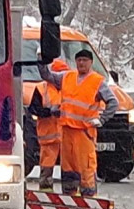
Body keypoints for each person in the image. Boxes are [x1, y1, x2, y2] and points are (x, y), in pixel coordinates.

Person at [38, 50, 118, 196]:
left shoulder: (97, 81)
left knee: (86, 169)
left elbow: (113, 102)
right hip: (67, 131)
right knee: (68, 169)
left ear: (91, 62)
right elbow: (47, 76)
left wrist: (101, 119)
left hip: (84, 132)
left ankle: (89, 201)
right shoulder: (67, 77)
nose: (81, 63)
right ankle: (69, 199)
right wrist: (41, 60)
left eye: (84, 60)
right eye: (79, 60)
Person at [27, 57, 68, 191]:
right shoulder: (41, 88)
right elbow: (34, 109)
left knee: (69, 168)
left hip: (67, 136)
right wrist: (49, 112)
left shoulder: (71, 88)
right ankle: (45, 194)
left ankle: (70, 194)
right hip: (49, 136)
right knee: (47, 167)